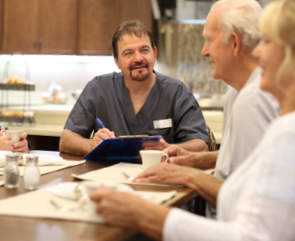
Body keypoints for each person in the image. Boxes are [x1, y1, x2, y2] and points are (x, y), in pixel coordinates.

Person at [90, 0, 295, 241]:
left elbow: (250, 238)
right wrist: (195, 162)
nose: (259, 51)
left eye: (268, 42)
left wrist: (143, 213)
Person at [136, 0, 280, 218]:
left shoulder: (253, 99)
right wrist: (193, 160)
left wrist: (185, 175)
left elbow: (248, 201)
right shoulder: (237, 94)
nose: (204, 51)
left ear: (234, 43)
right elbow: (246, 160)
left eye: (209, 41)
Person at [59, 20, 208, 156]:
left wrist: (167, 148)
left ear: (154, 54)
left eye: (144, 50)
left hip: (160, 178)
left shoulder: (177, 92)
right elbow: (66, 140)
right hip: (109, 180)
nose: (138, 58)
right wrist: (92, 144)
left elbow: (201, 145)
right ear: (117, 61)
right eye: (128, 53)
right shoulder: (98, 89)